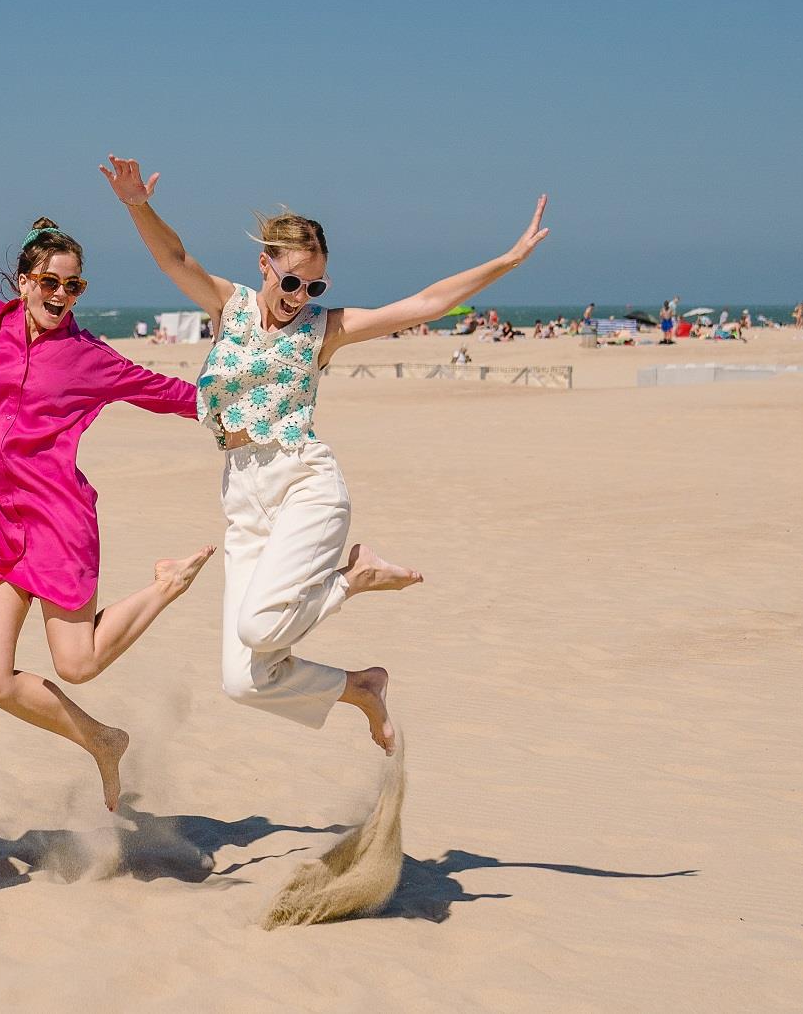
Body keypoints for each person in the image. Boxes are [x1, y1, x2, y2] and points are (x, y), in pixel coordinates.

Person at [102, 155, 550, 756]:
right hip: (242, 496)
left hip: (303, 483)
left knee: (259, 627)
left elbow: (425, 304)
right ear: (265, 265)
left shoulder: (324, 329)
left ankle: (354, 577)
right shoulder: (227, 307)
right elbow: (174, 257)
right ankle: (362, 688)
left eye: (314, 286)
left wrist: (507, 261)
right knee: (244, 680)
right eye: (290, 282)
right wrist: (137, 204)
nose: (300, 296)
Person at [0, 208, 213, 812]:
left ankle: (165, 586)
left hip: (55, 523)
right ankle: (102, 740)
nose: (61, 295)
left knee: (77, 665)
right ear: (23, 280)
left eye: (73, 286)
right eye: (50, 282)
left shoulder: (87, 356)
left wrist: (250, 402)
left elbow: (172, 394)